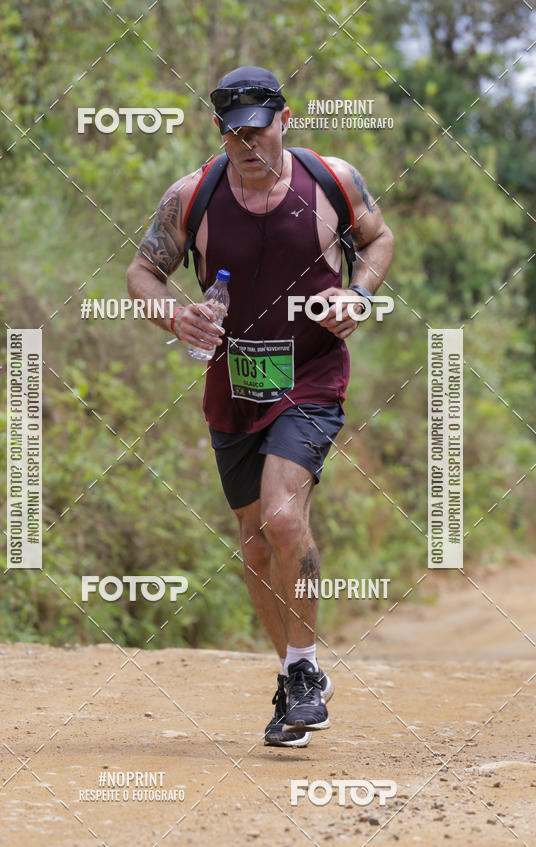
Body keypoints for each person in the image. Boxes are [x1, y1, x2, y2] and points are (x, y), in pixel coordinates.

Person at [127, 65, 394, 747]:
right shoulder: (193, 195)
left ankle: (305, 671)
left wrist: (357, 295)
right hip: (232, 388)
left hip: (311, 377)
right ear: (220, 133)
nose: (252, 146)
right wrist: (174, 317)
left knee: (281, 514)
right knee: (253, 545)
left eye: (261, 130)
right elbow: (141, 272)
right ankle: (291, 677)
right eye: (236, 134)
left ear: (284, 121)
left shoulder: (333, 180)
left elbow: (378, 240)